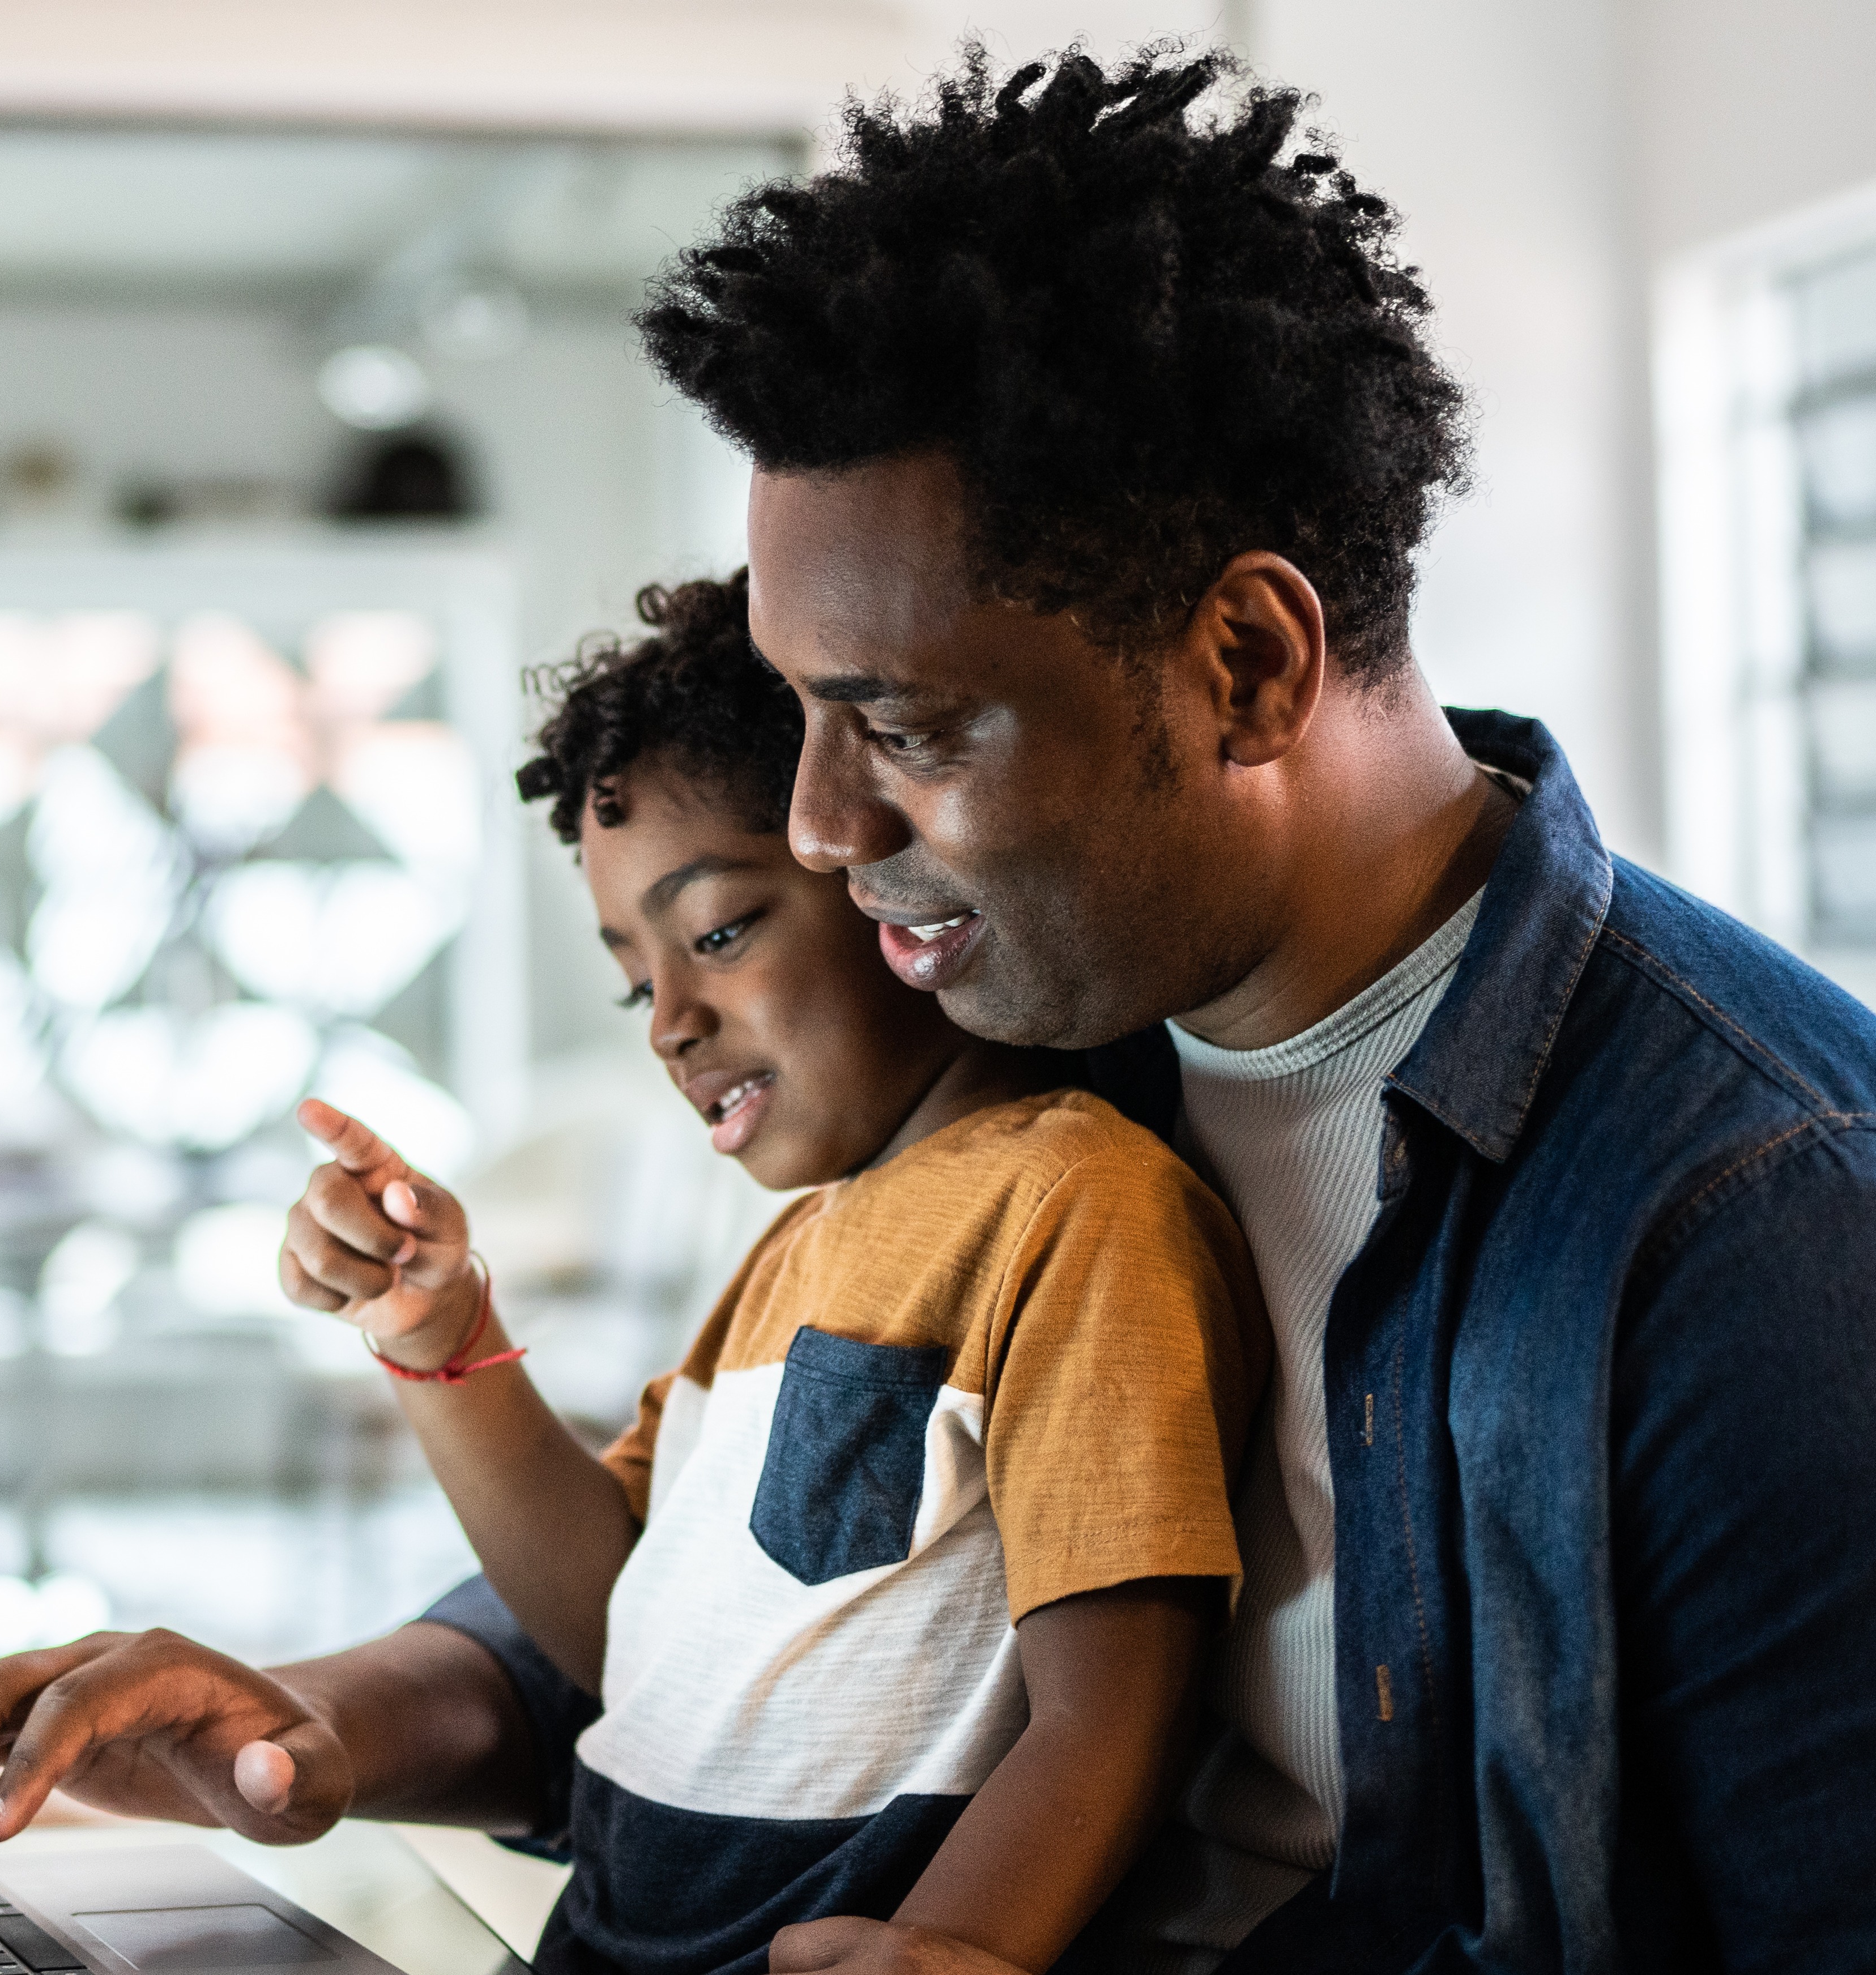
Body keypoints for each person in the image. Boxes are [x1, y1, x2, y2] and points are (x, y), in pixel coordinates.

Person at [0, 41, 1876, 1975]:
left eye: (902, 725)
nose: (809, 828)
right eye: (798, 714)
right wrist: (321, 1715)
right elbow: (726, 1611)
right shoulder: (1032, 1052)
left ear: (1247, 663)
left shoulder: (1793, 1249)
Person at [258, 576, 1264, 1974]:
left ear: (885, 879)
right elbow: (621, 1636)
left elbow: (1115, 1705)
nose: (670, 1023)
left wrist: (959, 1944)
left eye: (720, 932)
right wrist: (440, 1339)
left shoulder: (1077, 1203)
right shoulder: (791, 1250)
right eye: (634, 979)